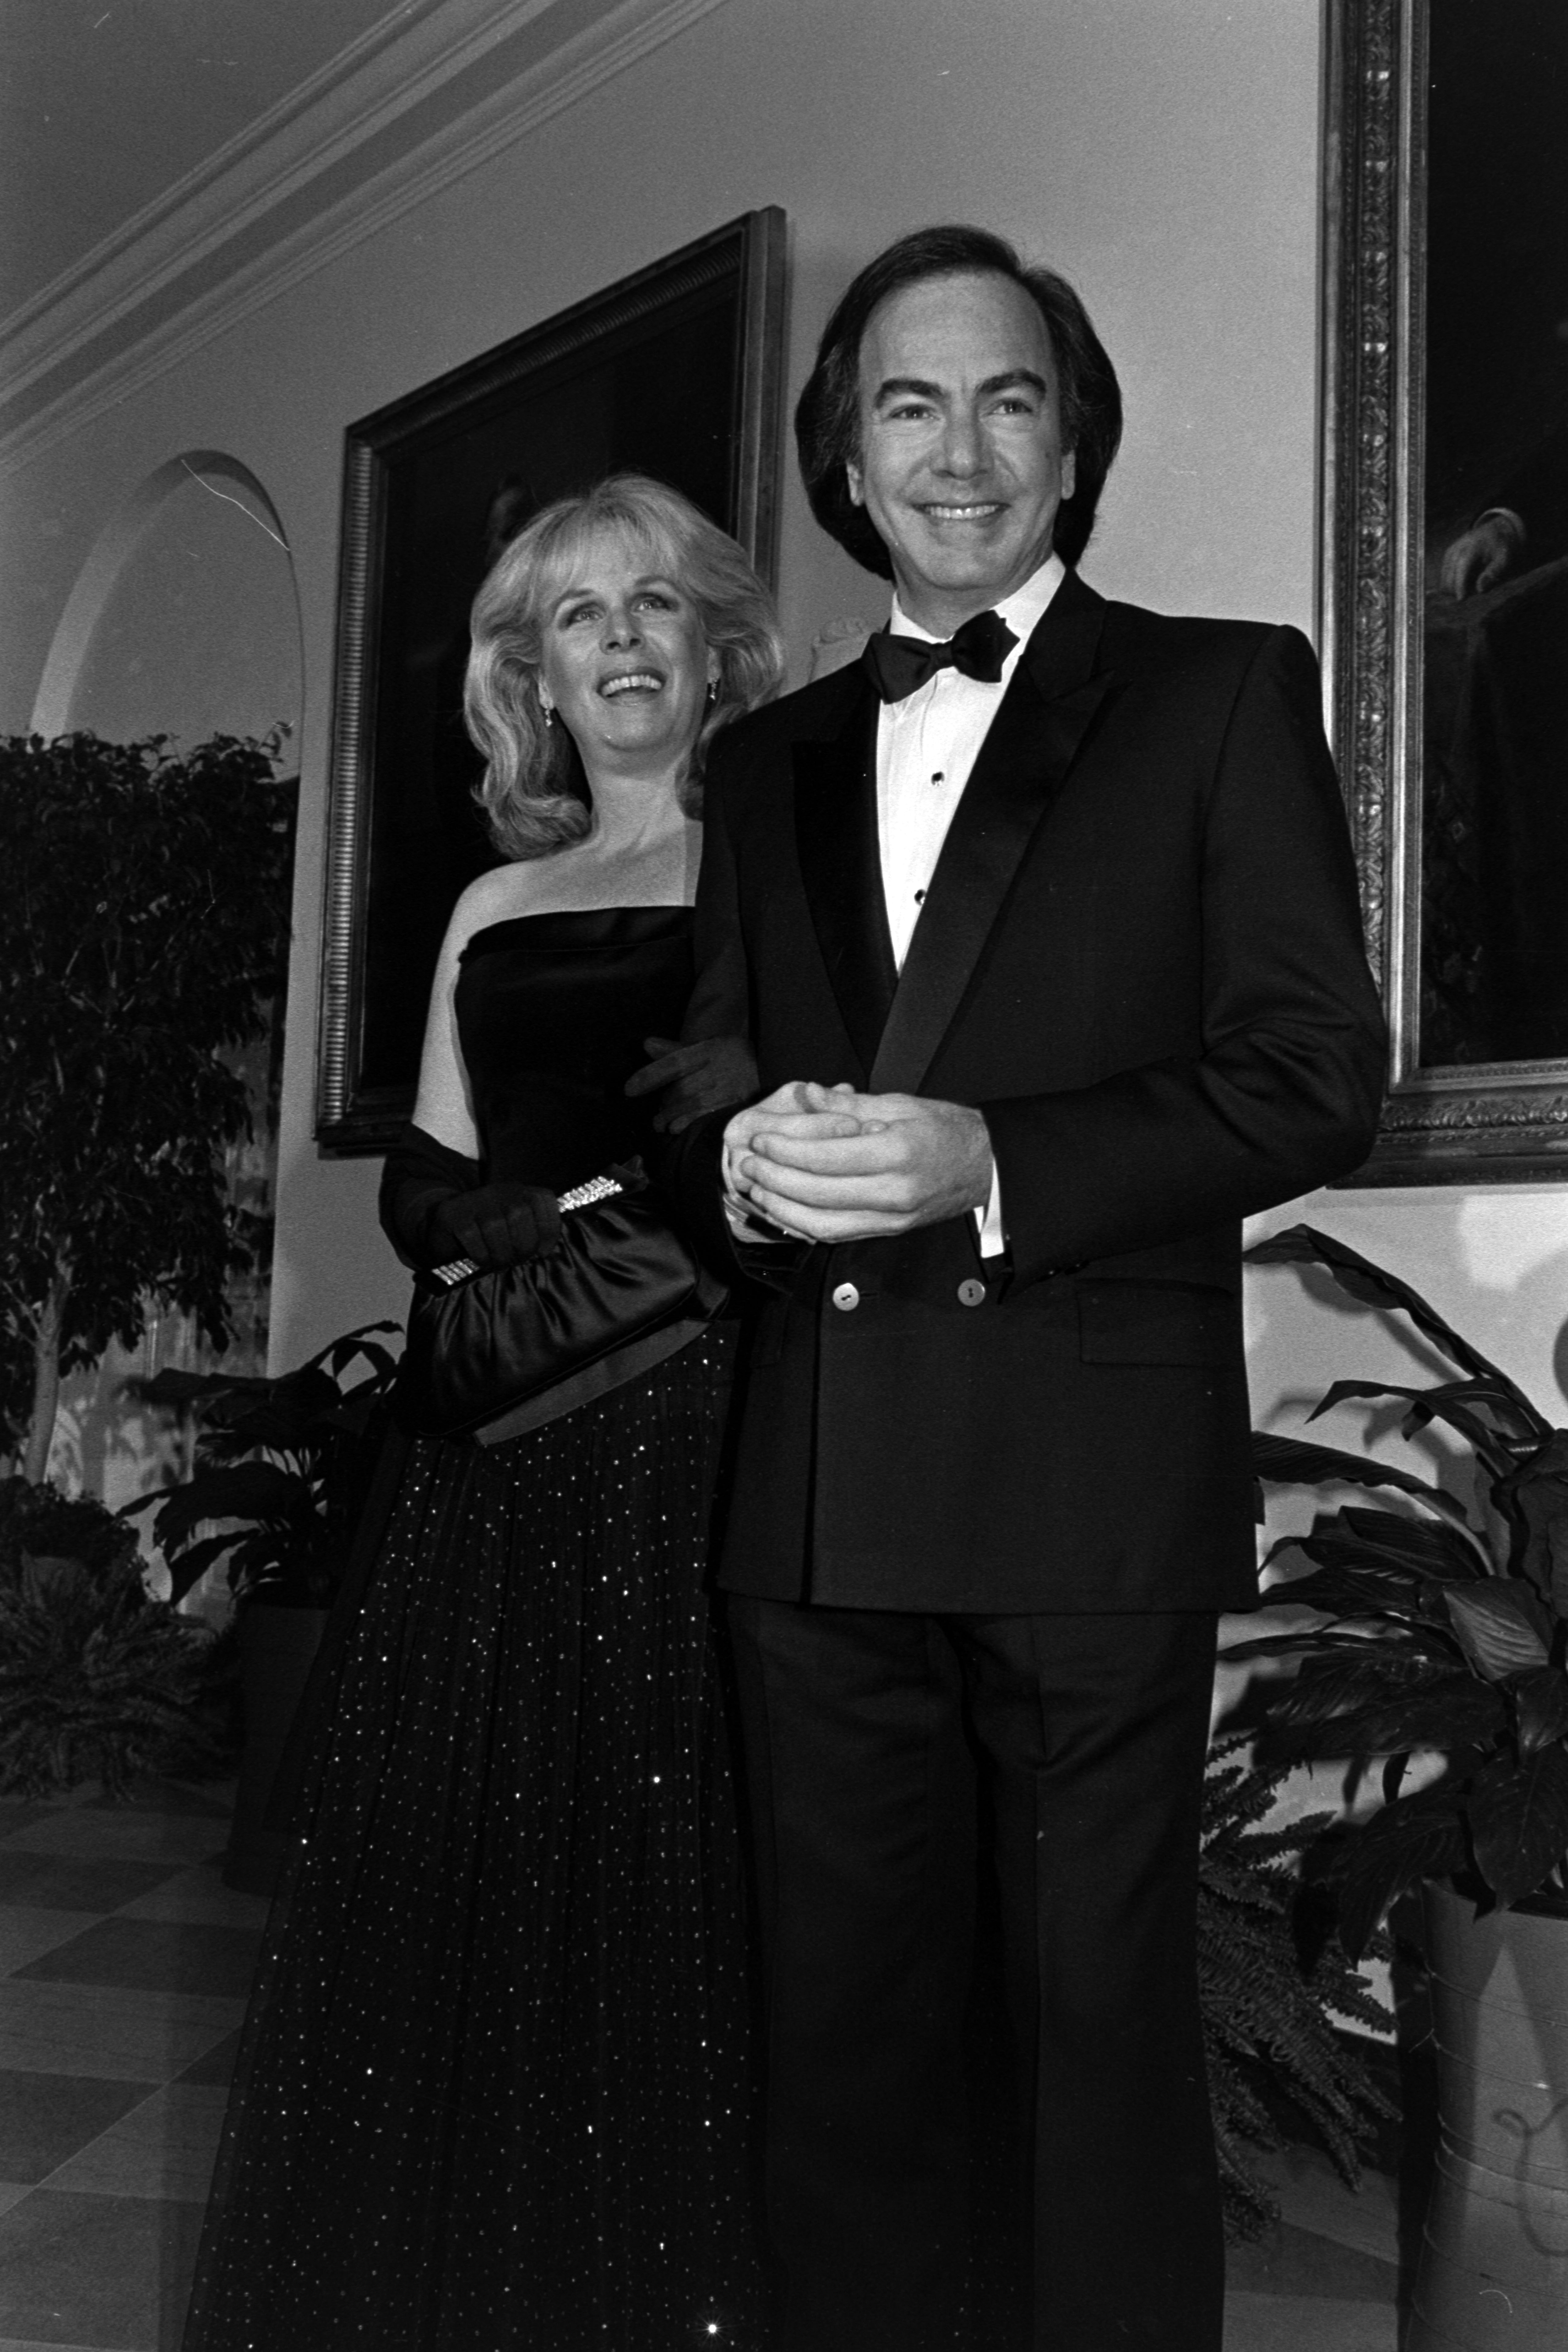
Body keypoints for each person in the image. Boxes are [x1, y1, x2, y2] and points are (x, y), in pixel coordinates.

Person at [665, 226, 1389, 2352]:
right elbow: (710, 1060)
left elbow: (1310, 1078)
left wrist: (999, 1165)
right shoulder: (761, 763)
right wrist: (726, 1160)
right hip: (818, 1496)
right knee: (849, 2060)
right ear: (849, 464)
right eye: (910, 404)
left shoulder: (1219, 688)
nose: (960, 449)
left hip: (1083, 1478)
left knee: (1087, 2052)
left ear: (1073, 446)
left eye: (1007, 400)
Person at [182, 475, 785, 2351]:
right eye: (575, 620)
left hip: (708, 1415)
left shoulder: (788, 871)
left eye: (653, 608)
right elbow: (424, 1178)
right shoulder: (495, 897)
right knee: (474, 1864)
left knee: (674, 1864)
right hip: (497, 1442)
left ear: (714, 646)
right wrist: (485, 1221)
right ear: (529, 673)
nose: (618, 643)